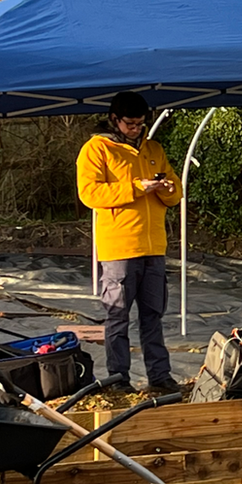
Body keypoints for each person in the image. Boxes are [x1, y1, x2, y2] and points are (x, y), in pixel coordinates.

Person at [76, 91, 183, 394]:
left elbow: (175, 195)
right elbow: (90, 194)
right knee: (118, 316)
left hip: (154, 246)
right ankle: (118, 378)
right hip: (120, 247)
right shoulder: (97, 149)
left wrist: (166, 187)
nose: (136, 129)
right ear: (114, 119)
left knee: (154, 315)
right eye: (130, 124)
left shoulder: (153, 149)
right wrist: (137, 187)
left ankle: (159, 376)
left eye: (140, 124)